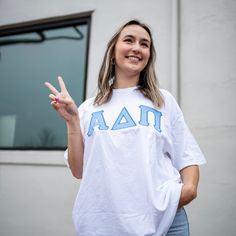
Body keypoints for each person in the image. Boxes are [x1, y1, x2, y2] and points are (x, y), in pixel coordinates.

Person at [45, 20, 206, 236]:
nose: (137, 48)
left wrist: (188, 191)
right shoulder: (88, 109)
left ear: (149, 55)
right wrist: (72, 120)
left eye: (144, 44)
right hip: (105, 225)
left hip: (166, 220)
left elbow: (186, 155)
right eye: (129, 40)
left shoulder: (163, 101)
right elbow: (78, 170)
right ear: (113, 52)